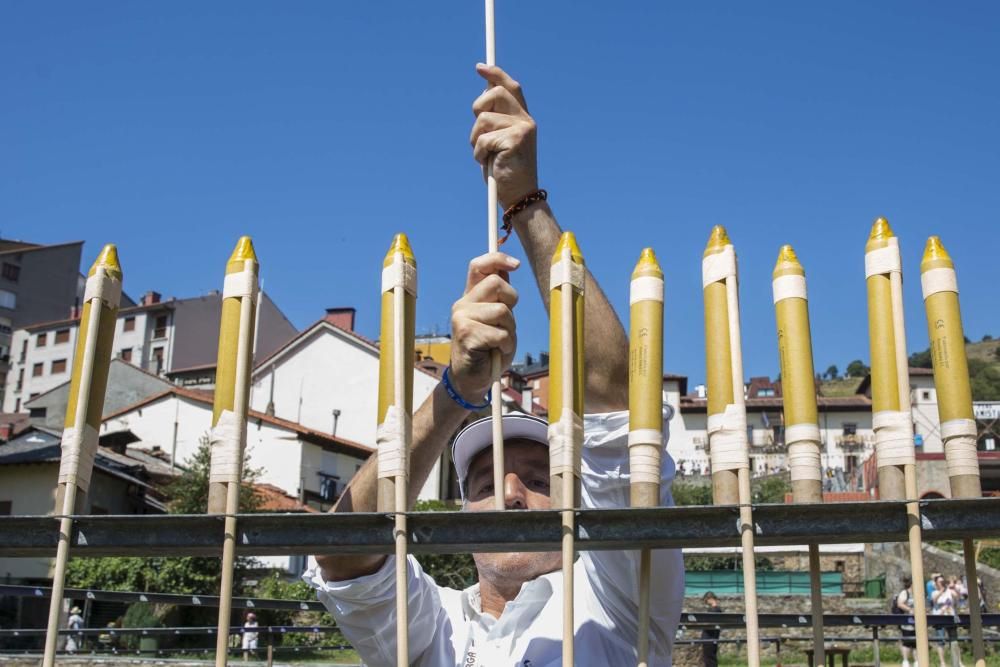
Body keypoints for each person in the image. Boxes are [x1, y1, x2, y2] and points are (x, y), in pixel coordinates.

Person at [305, 63, 684, 666]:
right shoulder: (433, 627)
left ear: (574, 503)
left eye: (539, 479)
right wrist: (457, 390)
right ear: (460, 515)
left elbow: (613, 395)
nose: (511, 492)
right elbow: (344, 549)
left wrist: (524, 201)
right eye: (485, 484)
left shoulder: (620, 603)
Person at [931, 575, 963, 667]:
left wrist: (953, 587)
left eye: (943, 581)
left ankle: (958, 662)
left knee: (954, 640)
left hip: (950, 617)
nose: (942, 583)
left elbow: (957, 597)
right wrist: (942, 590)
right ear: (936, 583)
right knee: (940, 641)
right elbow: (934, 600)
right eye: (940, 582)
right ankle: (942, 663)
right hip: (939, 618)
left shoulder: (950, 591)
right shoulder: (934, 592)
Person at [893, 576, 917, 667]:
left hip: (916, 621)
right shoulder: (905, 592)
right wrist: (910, 610)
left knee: (916, 642)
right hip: (907, 620)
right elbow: (900, 604)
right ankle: (906, 661)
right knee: (907, 641)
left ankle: (917, 661)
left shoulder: (918, 593)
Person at [700, 592, 723, 667]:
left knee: (709, 659)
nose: (706, 603)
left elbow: (709, 623)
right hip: (711, 638)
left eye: (706, 601)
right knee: (710, 658)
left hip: (709, 638)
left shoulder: (714, 610)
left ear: (710, 599)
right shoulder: (716, 610)